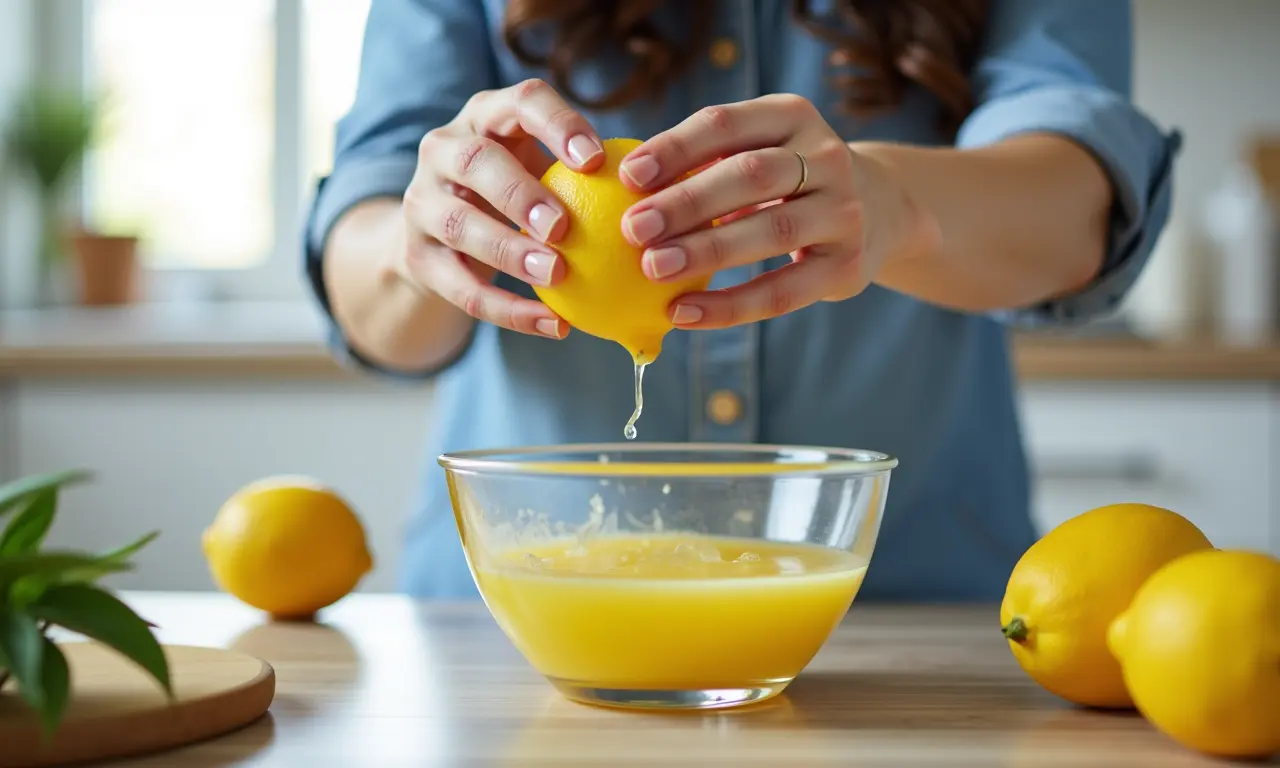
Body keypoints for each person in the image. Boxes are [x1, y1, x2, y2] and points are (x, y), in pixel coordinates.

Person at [304, 0, 1179, 602]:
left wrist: (897, 206)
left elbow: (1085, 203)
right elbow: (369, 270)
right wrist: (416, 249)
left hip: (912, 632)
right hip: (504, 637)